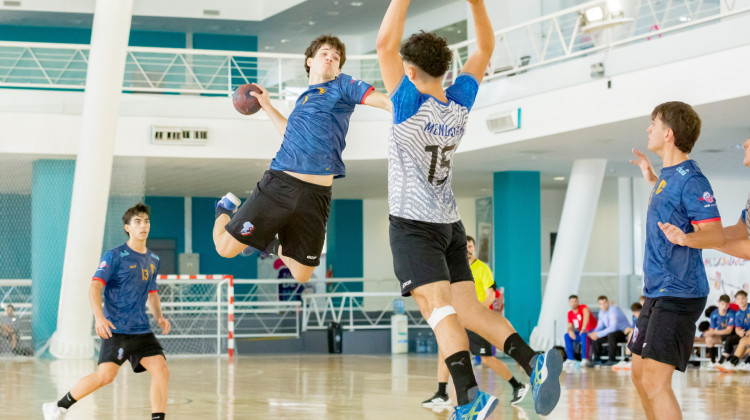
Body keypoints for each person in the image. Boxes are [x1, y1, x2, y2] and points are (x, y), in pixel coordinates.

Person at [376, 1, 562, 417]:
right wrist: (477, 3)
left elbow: (384, 42)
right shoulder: (458, 102)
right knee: (469, 309)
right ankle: (533, 363)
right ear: (445, 69)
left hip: (413, 224)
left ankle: (469, 398)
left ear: (409, 72)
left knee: (437, 309)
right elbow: (484, 48)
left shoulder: (407, 103)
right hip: (449, 224)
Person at [212, 35, 392, 284]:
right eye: (325, 53)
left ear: (339, 68)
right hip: (281, 184)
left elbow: (385, 102)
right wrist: (267, 106)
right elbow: (291, 134)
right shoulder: (303, 100)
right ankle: (222, 209)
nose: (330, 57)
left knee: (302, 274)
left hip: (317, 195)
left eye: (336, 57)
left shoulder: (343, 85)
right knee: (224, 248)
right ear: (310, 61)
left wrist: (412, 109)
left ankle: (269, 245)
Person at [628, 101, 724, 420]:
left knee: (656, 381)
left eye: (653, 122)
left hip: (680, 292)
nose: (648, 128)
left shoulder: (692, 180)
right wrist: (651, 176)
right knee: (639, 375)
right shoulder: (669, 176)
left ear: (668, 134)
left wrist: (685, 237)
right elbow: (673, 203)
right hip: (657, 290)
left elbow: (715, 234)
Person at [43, 203, 171, 420]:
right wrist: (99, 317)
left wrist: (159, 316)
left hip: (141, 330)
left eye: (146, 221)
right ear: (127, 227)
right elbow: (94, 286)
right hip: (117, 329)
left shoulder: (154, 260)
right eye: (137, 222)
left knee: (161, 370)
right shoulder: (114, 256)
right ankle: (58, 406)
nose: (143, 226)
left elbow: (151, 292)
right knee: (105, 376)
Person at [422, 236, 529, 409]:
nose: (467, 249)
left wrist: (473, 313)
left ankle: (518, 386)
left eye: (469, 246)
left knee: (487, 359)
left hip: (474, 319)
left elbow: (491, 295)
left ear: (474, 248)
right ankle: (442, 393)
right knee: (445, 352)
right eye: (463, 246)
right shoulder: (454, 268)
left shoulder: (482, 268)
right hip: (457, 318)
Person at [588, 296, 631, 366]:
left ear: (608, 303)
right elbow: (600, 326)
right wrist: (594, 333)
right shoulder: (601, 312)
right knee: (596, 338)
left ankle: (612, 360)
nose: (603, 305)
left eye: (605, 303)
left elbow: (613, 328)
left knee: (611, 335)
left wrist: (598, 334)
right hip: (612, 333)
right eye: (601, 304)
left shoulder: (613, 310)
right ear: (599, 305)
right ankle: (596, 359)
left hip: (623, 332)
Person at [716, 290, 749, 372]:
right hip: (745, 335)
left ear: (746, 299)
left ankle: (740, 363)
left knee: (744, 341)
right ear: (736, 301)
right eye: (738, 299)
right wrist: (739, 332)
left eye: (743, 298)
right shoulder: (737, 313)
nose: (741, 300)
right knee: (741, 340)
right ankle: (732, 363)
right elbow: (737, 328)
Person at [563, 295, 597, 368]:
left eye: (575, 301)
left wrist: (583, 328)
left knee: (583, 334)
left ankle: (585, 359)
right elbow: (569, 325)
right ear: (569, 303)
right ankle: (571, 359)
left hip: (591, 331)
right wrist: (570, 331)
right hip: (582, 333)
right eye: (571, 302)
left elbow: (586, 316)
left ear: (578, 302)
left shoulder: (583, 307)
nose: (573, 303)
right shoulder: (570, 313)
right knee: (567, 336)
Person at [703, 294, 736, 365]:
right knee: (708, 338)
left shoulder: (731, 312)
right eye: (722, 304)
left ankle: (725, 361)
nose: (724, 307)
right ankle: (713, 362)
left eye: (726, 305)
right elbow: (711, 330)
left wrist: (713, 332)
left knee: (728, 338)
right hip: (722, 336)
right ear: (718, 302)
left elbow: (728, 331)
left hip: (731, 336)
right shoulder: (713, 314)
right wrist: (709, 333)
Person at [612, 302, 642, 371]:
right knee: (630, 333)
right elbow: (634, 326)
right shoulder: (634, 317)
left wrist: (631, 329)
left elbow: (642, 328)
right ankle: (627, 359)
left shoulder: (644, 317)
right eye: (633, 312)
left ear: (640, 311)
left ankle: (627, 359)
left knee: (631, 333)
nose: (633, 314)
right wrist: (629, 329)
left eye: (635, 312)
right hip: (636, 335)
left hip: (643, 335)